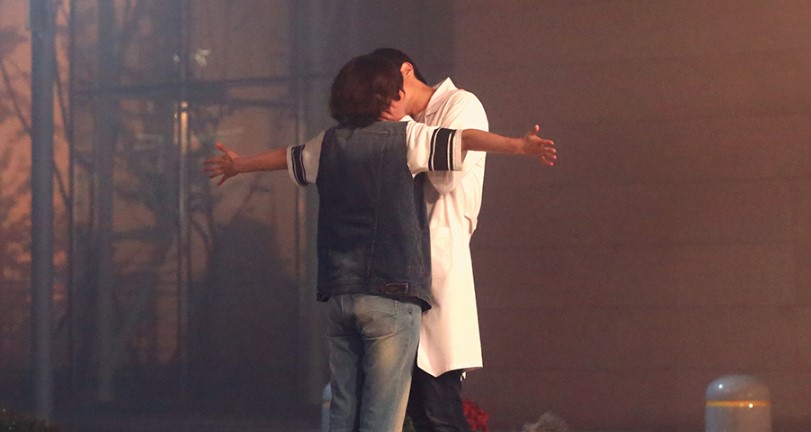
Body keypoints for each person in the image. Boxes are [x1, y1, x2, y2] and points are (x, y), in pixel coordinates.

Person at [203, 54, 556, 432]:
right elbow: (462, 145)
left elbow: (291, 157)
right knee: (389, 411)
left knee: (348, 405)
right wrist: (517, 146)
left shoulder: (331, 142)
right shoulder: (404, 137)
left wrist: (239, 165)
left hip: (343, 291)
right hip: (394, 290)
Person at [372, 48, 497, 432]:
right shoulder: (408, 122)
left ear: (406, 71)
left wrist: (405, 126)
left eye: (382, 89)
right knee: (409, 411)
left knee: (438, 410)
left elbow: (445, 176)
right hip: (400, 274)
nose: (380, 103)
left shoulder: (461, 104)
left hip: (440, 267)